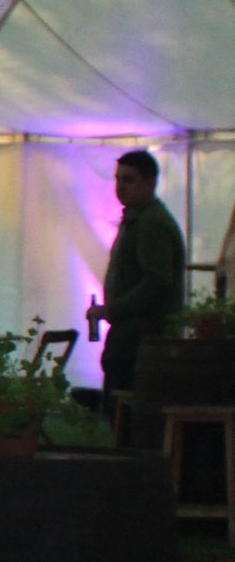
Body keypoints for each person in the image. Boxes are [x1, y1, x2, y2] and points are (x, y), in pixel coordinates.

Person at [98, 147, 185, 406]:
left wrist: (115, 308)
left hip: (141, 336)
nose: (121, 186)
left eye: (129, 179)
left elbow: (157, 281)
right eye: (118, 179)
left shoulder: (151, 223)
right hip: (132, 333)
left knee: (127, 414)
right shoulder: (137, 220)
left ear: (149, 182)